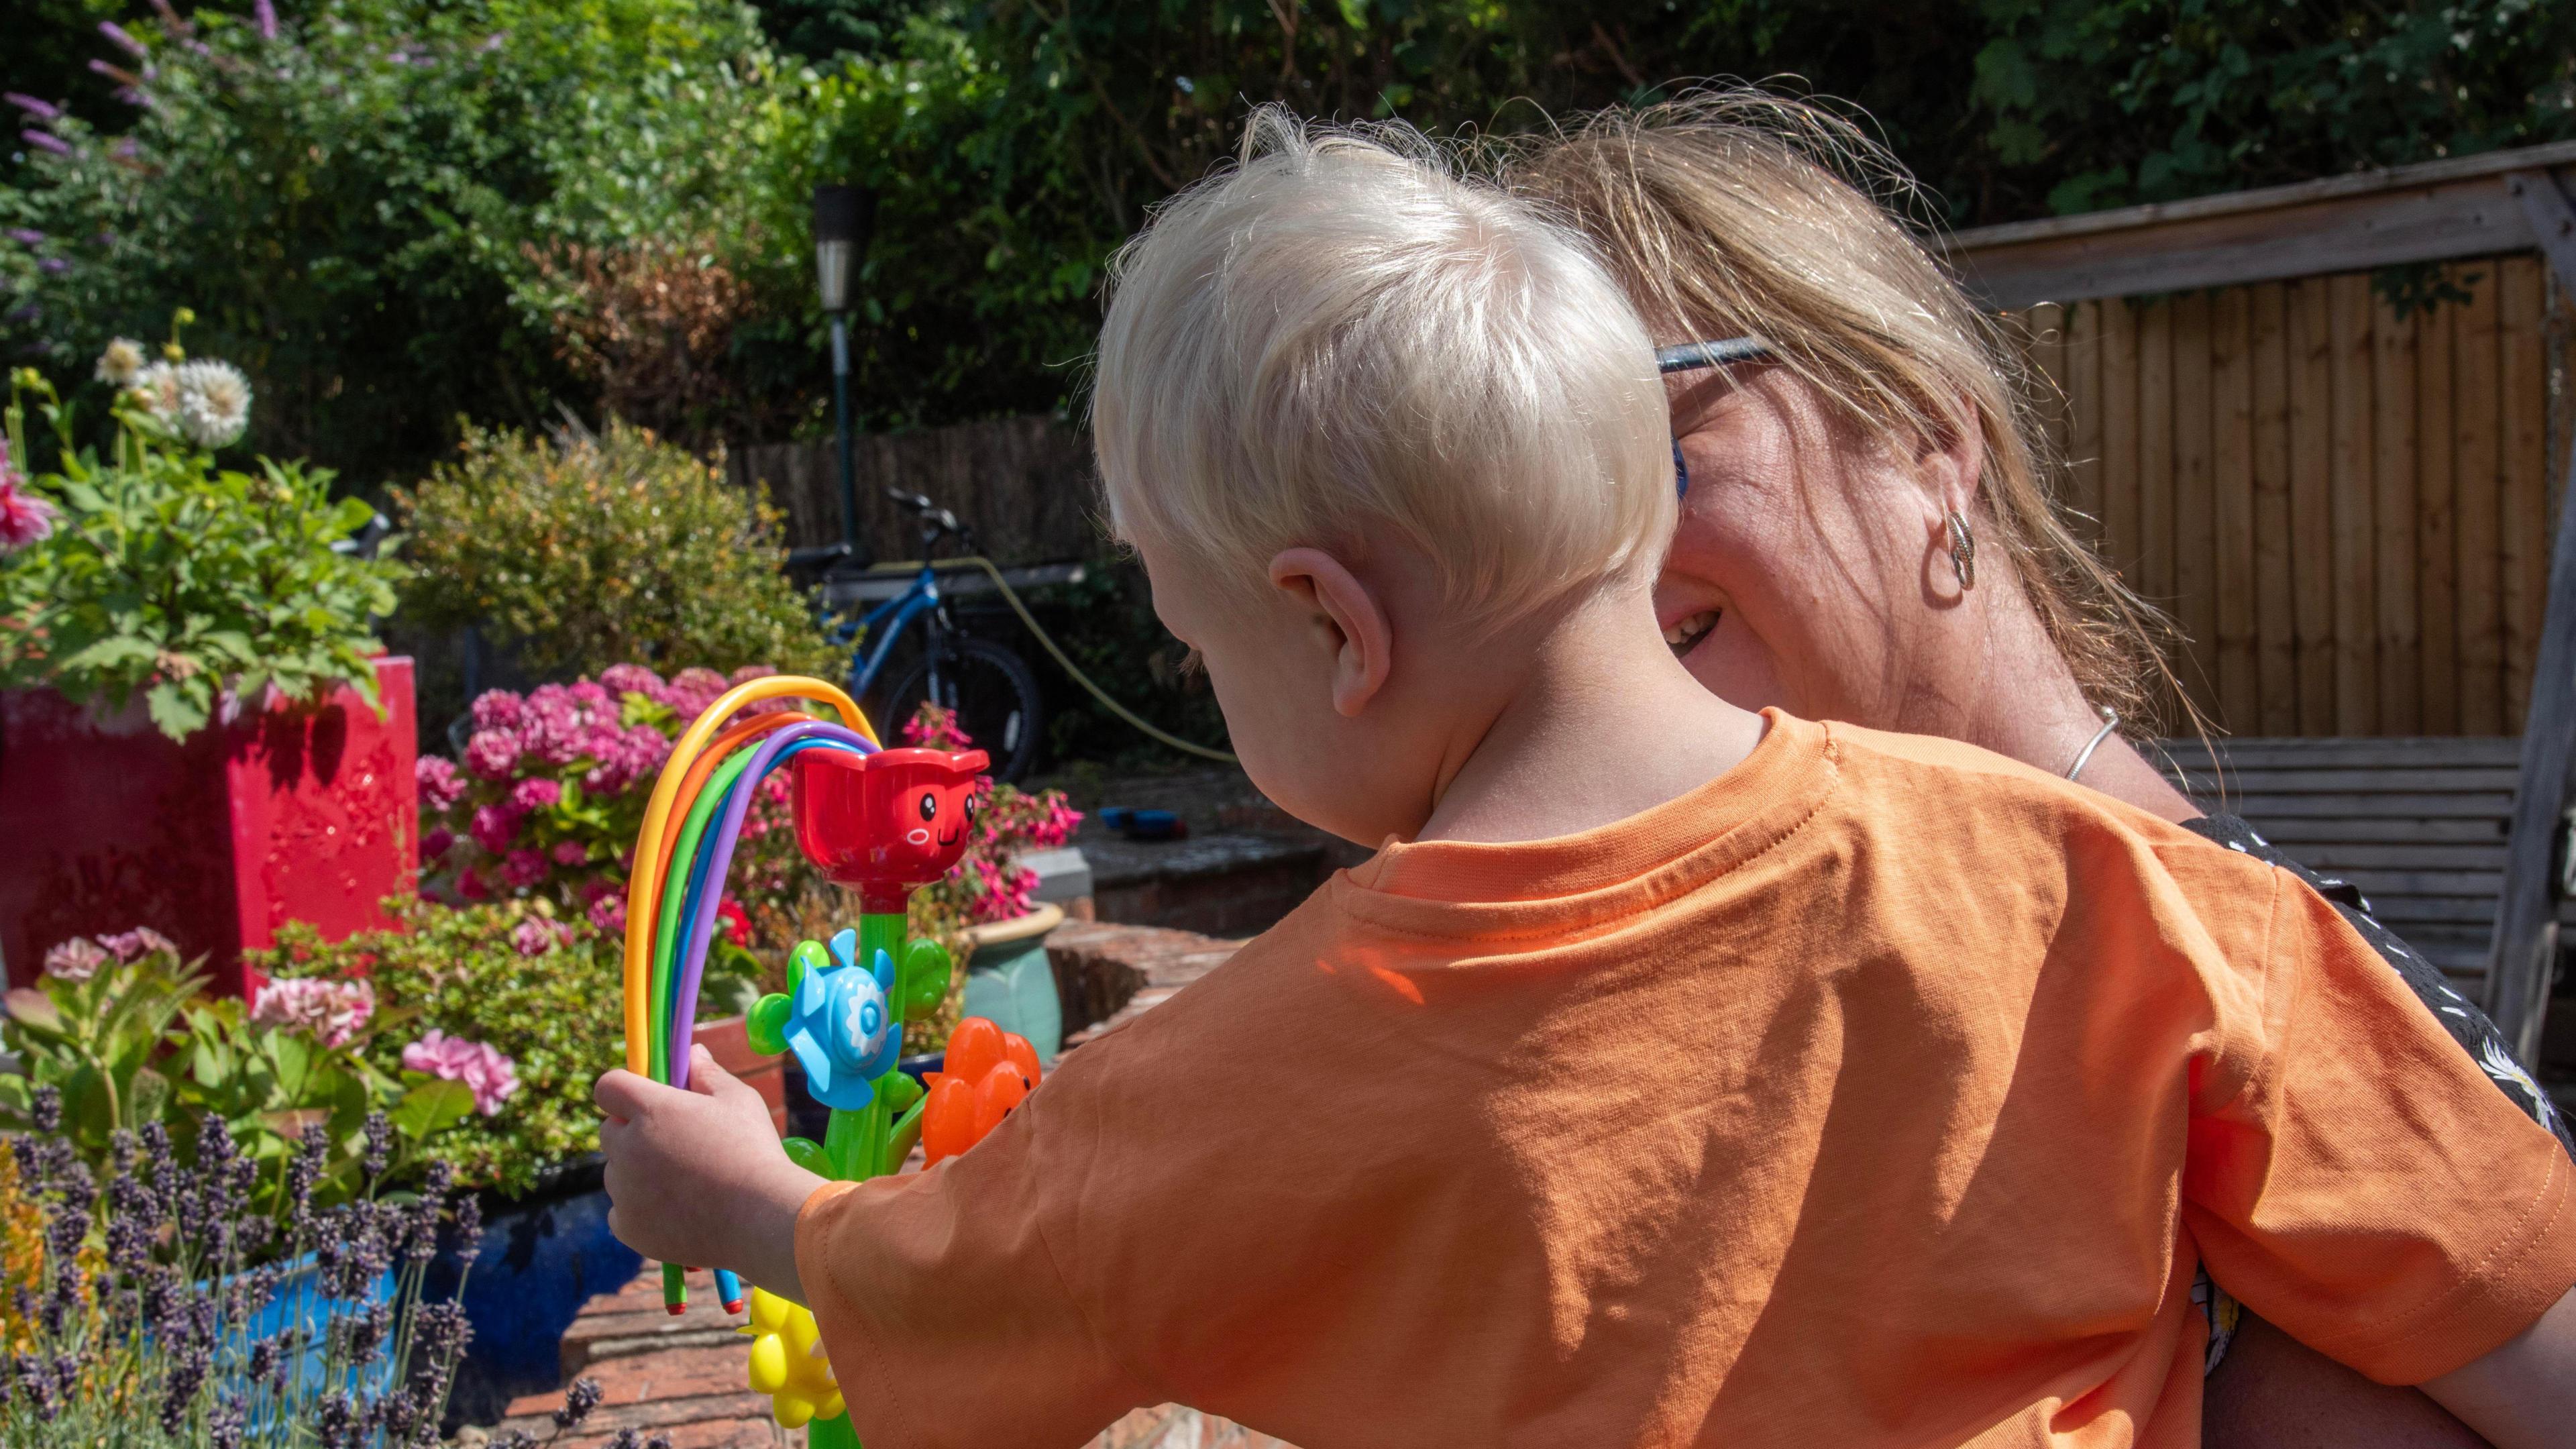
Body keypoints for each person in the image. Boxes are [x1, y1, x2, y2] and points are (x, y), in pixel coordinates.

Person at [596, 110, 2576, 1448]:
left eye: (1202, 654)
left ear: (1332, 626)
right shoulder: (2123, 904)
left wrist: (756, 1210)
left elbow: (948, 1281)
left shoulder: (1225, 1083)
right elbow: (2520, 1304)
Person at [1498, 89, 2575, 1446]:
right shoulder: (1827, 1011)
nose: (1597, 564)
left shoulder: (2239, 991)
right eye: (1532, 507)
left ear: (1917, 426)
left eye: (1640, 450)